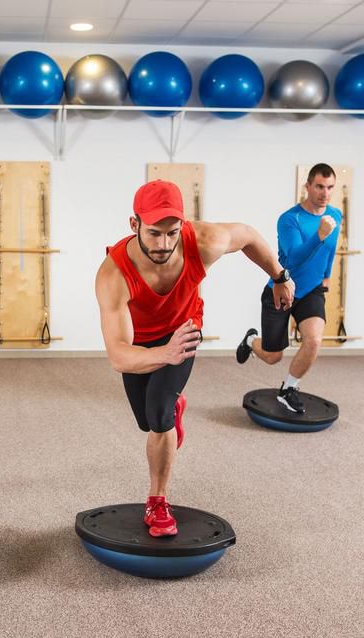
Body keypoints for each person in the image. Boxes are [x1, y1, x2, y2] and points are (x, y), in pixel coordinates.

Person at [95, 179, 294, 537]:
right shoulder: (113, 273)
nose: (164, 244)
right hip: (139, 343)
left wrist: (279, 276)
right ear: (134, 224)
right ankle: (174, 410)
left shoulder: (203, 241)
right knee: (146, 420)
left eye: (172, 233)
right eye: (154, 233)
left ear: (183, 226)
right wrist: (161, 353)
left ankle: (157, 502)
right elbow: (119, 356)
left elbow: (247, 235)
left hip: (182, 331)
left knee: (158, 416)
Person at [236, 163, 342, 414]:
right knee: (273, 357)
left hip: (311, 290)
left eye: (329, 188)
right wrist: (319, 235)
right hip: (282, 289)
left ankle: (288, 389)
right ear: (307, 186)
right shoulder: (289, 219)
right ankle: (251, 341)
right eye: (319, 186)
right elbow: (292, 260)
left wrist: (326, 275)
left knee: (314, 340)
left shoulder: (335, 215)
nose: (324, 193)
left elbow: (331, 247)